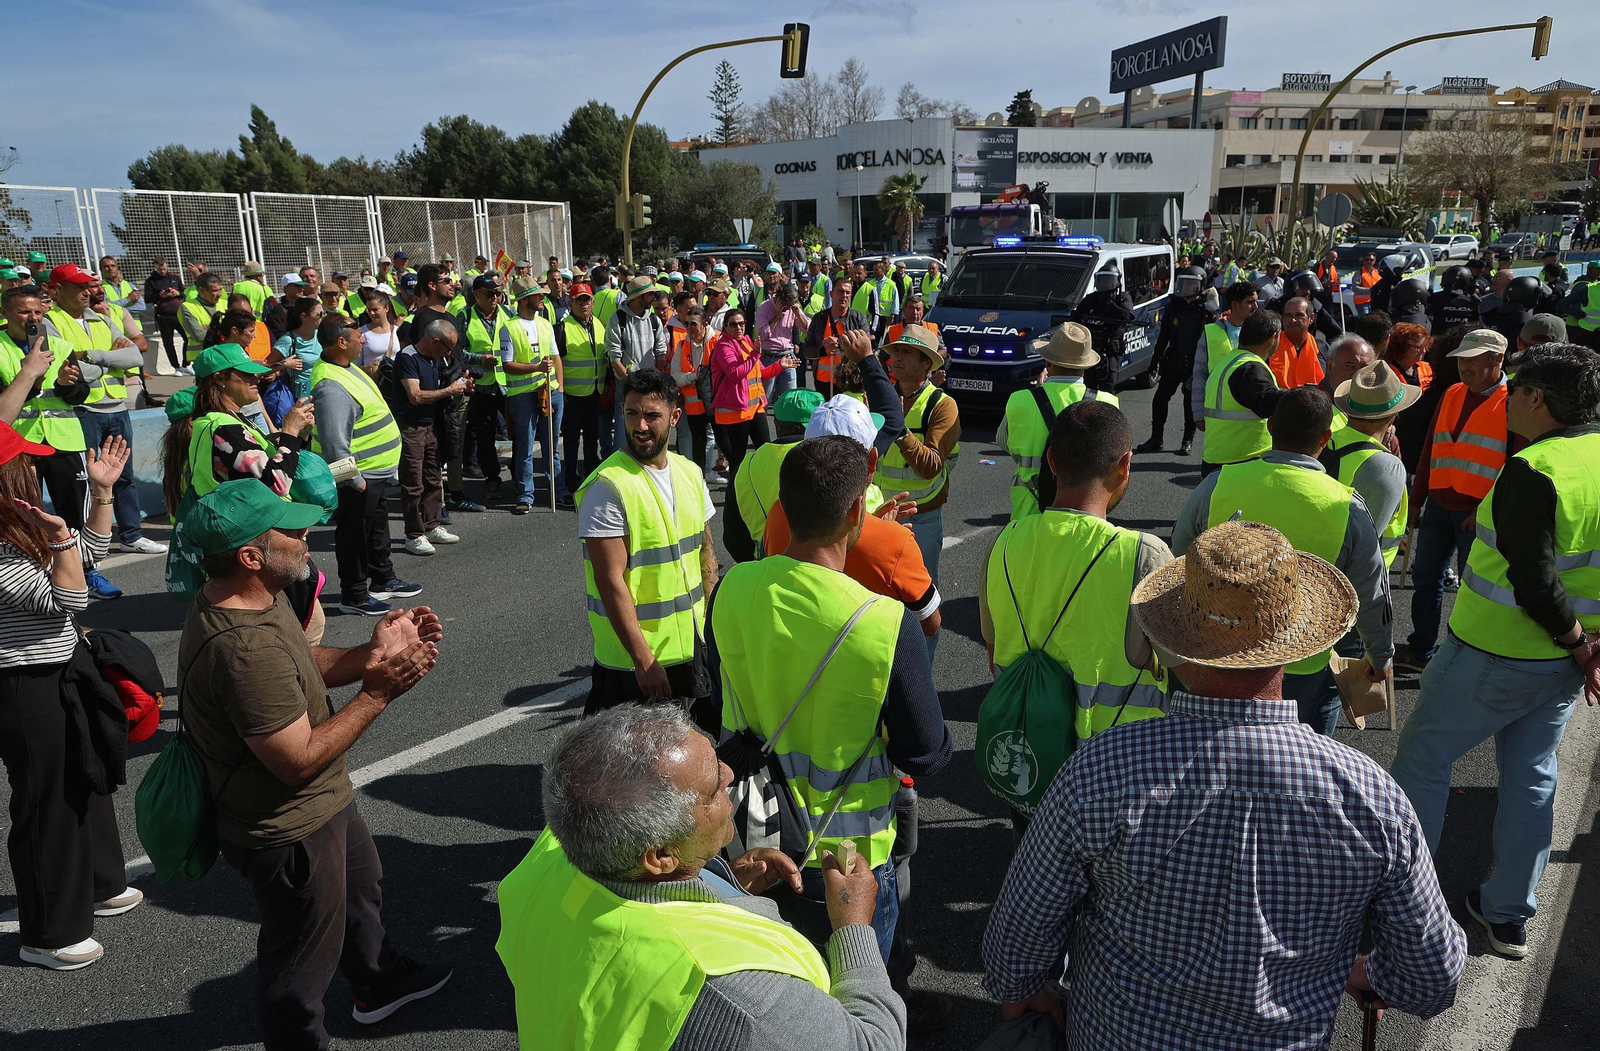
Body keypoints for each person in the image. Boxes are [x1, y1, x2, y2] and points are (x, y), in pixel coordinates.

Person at [983, 519, 1467, 1046]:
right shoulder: (1370, 798)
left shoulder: (1102, 769)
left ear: (1178, 641)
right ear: (1295, 643)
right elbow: (1433, 978)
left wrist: (1027, 990)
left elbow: (1016, 942)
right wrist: (1367, 973)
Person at [178, 478, 451, 1047]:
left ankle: (377, 983)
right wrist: (379, 691)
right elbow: (295, 761)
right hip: (289, 827)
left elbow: (301, 661)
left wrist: (371, 655)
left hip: (324, 804)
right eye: (291, 531)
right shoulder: (244, 649)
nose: (307, 536)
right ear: (251, 556)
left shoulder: (258, 595)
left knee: (361, 890)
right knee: (299, 962)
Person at [709, 433, 953, 1027]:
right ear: (856, 512)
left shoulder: (732, 590)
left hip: (753, 842)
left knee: (772, 1004)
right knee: (859, 1008)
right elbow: (926, 754)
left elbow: (719, 700)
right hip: (849, 862)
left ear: (784, 508)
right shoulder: (882, 622)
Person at [496, 704, 907, 1051]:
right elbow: (874, 1044)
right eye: (712, 790)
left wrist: (720, 885)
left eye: (714, 757)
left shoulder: (550, 857)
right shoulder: (741, 998)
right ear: (661, 856)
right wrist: (853, 929)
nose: (730, 775)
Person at [1390, 343, 1600, 960]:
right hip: (1560, 666)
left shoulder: (1533, 469)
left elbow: (1535, 579)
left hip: (1493, 652)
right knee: (1532, 777)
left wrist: (1575, 641)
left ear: (1536, 399)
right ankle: (1507, 912)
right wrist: (1588, 647)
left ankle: (1404, 904)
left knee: (1423, 759)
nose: (1507, 395)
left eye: (1517, 386)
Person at [1177, 387, 1394, 735]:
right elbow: (1371, 591)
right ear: (1325, 438)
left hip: (1220, 647)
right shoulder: (1347, 506)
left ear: (1270, 426)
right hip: (1302, 659)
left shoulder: (1219, 481)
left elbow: (1180, 556)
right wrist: (1379, 655)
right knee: (1299, 748)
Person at [0, 423, 137, 970]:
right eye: (27, 463)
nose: (37, 469)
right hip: (23, 682)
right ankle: (48, 933)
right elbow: (68, 597)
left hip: (61, 668)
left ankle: (100, 884)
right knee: (47, 801)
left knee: (87, 774)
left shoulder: (20, 527)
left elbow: (89, 555)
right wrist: (60, 541)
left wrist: (102, 494)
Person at [982, 399, 1170, 782]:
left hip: (1029, 758)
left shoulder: (1003, 543)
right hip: (1117, 767)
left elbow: (993, 649)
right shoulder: (1145, 555)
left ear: (1051, 461)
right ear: (1125, 464)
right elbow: (1186, 670)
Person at [578, 369, 717, 723]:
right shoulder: (607, 487)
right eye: (632, 413)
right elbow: (610, 581)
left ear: (674, 417)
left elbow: (706, 553)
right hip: (633, 665)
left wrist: (713, 632)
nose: (640, 426)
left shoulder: (690, 473)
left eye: (652, 415)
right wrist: (644, 660)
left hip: (690, 647)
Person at [764, 394, 939, 638]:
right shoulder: (896, 543)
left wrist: (872, 526)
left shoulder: (777, 513)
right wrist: (883, 531)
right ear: (872, 462)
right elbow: (930, 624)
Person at [1394, 329, 1515, 674]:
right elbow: (1432, 446)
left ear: (1497, 359)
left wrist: (1486, 509)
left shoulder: (1513, 400)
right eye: (1462, 358)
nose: (1464, 365)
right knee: (1425, 578)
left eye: (1473, 358)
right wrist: (1416, 499)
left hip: (1476, 513)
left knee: (1472, 589)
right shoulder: (1453, 392)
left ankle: (1464, 657)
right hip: (1438, 503)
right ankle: (1422, 651)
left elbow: (1516, 463)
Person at [42, 265, 161, 566]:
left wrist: (93, 356)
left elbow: (134, 356)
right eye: (78, 286)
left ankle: (131, 536)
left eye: (88, 286)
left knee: (124, 476)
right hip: (84, 410)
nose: (87, 292)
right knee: (86, 482)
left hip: (117, 408)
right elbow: (67, 368)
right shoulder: (49, 321)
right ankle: (91, 544)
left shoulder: (102, 318)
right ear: (57, 290)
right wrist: (112, 359)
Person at [307, 316, 418, 616]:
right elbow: (334, 445)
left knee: (376, 528)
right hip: (360, 477)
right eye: (359, 335)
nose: (365, 339)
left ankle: (383, 578)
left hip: (375, 473)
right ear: (342, 342)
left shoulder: (345, 367)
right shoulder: (331, 386)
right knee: (354, 535)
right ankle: (354, 594)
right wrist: (354, 481)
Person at [875, 325, 959, 641]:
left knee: (920, 609)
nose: (896, 357)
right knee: (877, 602)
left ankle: (919, 670)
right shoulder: (881, 397)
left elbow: (930, 466)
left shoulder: (943, 405)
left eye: (906, 352)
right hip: (878, 518)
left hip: (920, 520)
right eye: (896, 350)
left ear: (927, 364)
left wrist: (900, 430)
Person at [999, 322, 1117, 520]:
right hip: (1086, 516)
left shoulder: (1020, 400)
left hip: (1029, 515)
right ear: (1085, 366)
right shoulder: (1107, 403)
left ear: (1047, 363)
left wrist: (1038, 393)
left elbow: (1004, 443)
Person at [1325, 360, 1418, 570]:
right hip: (1362, 578)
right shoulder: (1386, 467)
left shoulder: (1324, 441)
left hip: (1317, 568)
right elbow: (1363, 545)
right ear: (1394, 414)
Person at [394, 320, 467, 556]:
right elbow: (415, 396)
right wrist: (449, 391)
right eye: (447, 348)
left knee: (434, 479)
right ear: (435, 341)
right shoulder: (408, 357)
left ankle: (432, 525)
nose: (448, 354)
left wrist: (460, 386)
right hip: (411, 427)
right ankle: (414, 534)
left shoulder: (436, 358)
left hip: (432, 425)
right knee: (413, 483)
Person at [725, 388, 817, 563]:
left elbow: (733, 536)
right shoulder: (826, 461)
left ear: (775, 421)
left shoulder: (747, 464)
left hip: (763, 564)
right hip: (819, 566)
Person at [710, 308, 795, 480]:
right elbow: (735, 373)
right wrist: (755, 354)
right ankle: (735, 493)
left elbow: (761, 373)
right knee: (738, 459)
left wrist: (780, 365)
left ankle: (764, 486)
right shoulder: (724, 346)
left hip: (755, 408)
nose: (738, 328)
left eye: (741, 324)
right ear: (725, 326)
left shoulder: (747, 342)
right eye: (733, 324)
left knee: (766, 450)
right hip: (737, 411)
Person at [1199, 309, 1286, 476]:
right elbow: (1266, 402)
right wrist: (1305, 394)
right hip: (1243, 462)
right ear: (1273, 337)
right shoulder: (1250, 368)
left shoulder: (1229, 362)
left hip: (1218, 460)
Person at [504, 277, 564, 513]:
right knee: (525, 447)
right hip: (523, 394)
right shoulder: (509, 327)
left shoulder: (545, 323)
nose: (542, 298)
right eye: (538, 295)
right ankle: (525, 494)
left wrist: (560, 388)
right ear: (524, 299)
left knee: (552, 446)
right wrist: (536, 368)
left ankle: (557, 490)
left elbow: (556, 356)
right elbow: (507, 364)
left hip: (550, 391)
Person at [1179, 279, 1257, 456]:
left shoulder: (1259, 332)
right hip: (1219, 416)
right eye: (1250, 302)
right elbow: (1200, 375)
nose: (1255, 307)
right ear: (1235, 305)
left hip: (1250, 413)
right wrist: (1198, 414)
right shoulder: (1211, 333)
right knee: (1217, 460)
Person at [455, 274, 514, 503]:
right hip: (481, 387)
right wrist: (479, 359)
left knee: (516, 432)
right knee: (485, 435)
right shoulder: (465, 317)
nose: (495, 298)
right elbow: (458, 351)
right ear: (477, 294)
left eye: (498, 293)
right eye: (490, 294)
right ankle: (492, 479)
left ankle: (518, 475)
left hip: (508, 384)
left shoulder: (509, 314)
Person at [1144, 267, 1210, 455]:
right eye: (1184, 284)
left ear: (1200, 286)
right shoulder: (1173, 306)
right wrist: (1155, 361)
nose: (1187, 288)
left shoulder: (1206, 309)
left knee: (1189, 403)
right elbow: (1164, 335)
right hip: (1173, 359)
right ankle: (1156, 439)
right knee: (1160, 399)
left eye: (1192, 285)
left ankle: (1187, 441)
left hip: (1194, 362)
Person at [559, 283, 608, 498]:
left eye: (587, 300)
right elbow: (557, 362)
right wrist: (560, 391)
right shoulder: (562, 328)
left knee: (592, 439)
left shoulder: (599, 324)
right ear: (571, 303)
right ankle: (571, 480)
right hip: (572, 395)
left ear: (593, 302)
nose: (583, 304)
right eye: (579, 300)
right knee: (571, 441)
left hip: (595, 393)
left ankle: (590, 477)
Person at [803, 276, 871, 399]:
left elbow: (865, 347)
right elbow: (807, 350)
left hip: (848, 381)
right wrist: (823, 351)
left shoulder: (859, 318)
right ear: (831, 294)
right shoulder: (819, 318)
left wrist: (839, 342)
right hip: (823, 381)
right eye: (840, 292)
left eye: (847, 293)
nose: (844, 296)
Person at [755, 279, 807, 403]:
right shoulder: (764, 308)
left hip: (788, 356)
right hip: (769, 357)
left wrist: (798, 314)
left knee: (789, 400)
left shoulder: (792, 309)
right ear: (777, 299)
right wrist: (777, 316)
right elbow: (763, 334)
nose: (788, 309)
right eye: (785, 305)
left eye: (790, 305)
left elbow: (807, 328)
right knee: (765, 399)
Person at [271, 297, 324, 404]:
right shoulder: (288, 340)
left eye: (324, 313)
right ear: (304, 317)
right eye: (319, 314)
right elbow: (264, 368)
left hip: (322, 390)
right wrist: (283, 365)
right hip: (303, 396)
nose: (323, 317)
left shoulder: (320, 335)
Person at [1318, 333, 1376, 428]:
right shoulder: (1315, 408)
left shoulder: (1369, 403)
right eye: (1349, 366)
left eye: (1364, 369)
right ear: (1329, 366)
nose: (1357, 375)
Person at [1269, 297, 1326, 388]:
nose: (1293, 320)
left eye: (1299, 315)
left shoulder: (1323, 349)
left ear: (1311, 318)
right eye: (1288, 315)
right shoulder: (1269, 347)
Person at [143, 256, 187, 372]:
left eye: (164, 269)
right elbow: (147, 298)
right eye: (159, 269)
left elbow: (184, 293)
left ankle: (185, 364)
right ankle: (176, 367)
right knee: (168, 343)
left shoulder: (174, 277)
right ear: (155, 267)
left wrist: (177, 293)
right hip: (163, 316)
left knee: (188, 337)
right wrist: (160, 295)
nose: (162, 271)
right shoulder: (151, 281)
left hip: (178, 313)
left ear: (167, 265)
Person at [179, 272, 225, 369]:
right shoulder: (188, 307)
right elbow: (199, 336)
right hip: (204, 359)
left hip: (225, 356)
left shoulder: (225, 303)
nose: (219, 294)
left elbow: (237, 330)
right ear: (202, 290)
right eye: (214, 291)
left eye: (220, 289)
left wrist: (209, 328)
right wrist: (224, 329)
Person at [1430, 266, 1481, 334]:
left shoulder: (1435, 298)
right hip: (1463, 338)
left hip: (1438, 338)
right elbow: (1477, 324)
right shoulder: (1472, 301)